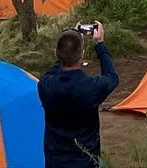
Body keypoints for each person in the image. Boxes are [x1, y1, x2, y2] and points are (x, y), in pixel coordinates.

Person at [39, 23, 119, 168]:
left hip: (55, 162)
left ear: (56, 52)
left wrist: (67, 48)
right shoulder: (92, 88)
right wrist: (100, 44)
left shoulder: (45, 86)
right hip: (86, 162)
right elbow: (112, 77)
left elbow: (52, 71)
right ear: (82, 54)